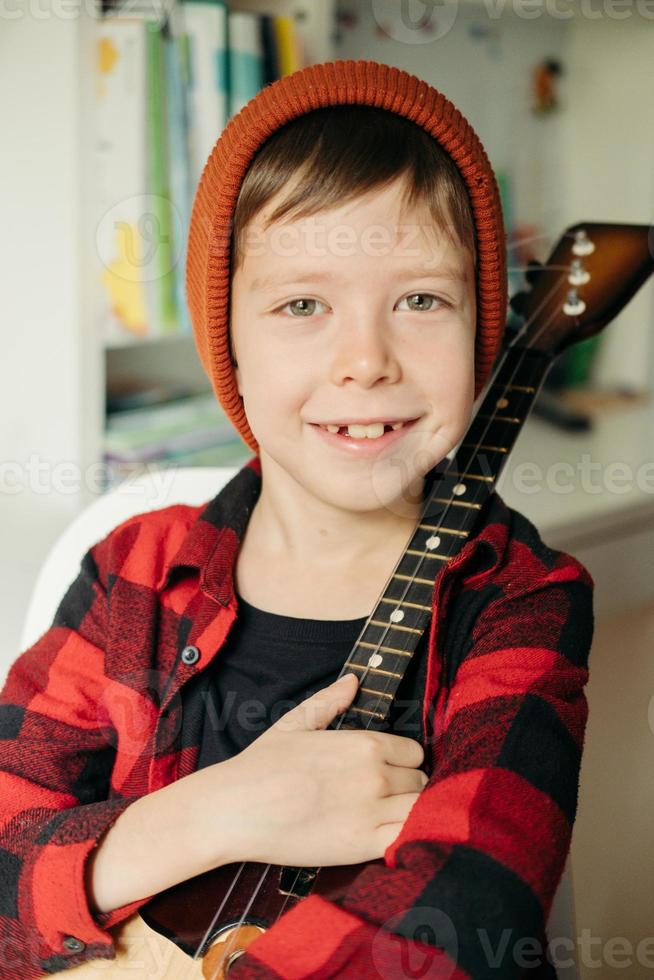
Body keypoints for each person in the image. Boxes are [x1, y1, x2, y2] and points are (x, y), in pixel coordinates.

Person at [0, 60, 593, 979]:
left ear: (483, 331)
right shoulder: (131, 574)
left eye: (421, 300)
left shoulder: (521, 600)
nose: (366, 360)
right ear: (225, 338)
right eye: (303, 303)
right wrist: (212, 812)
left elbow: (468, 919)